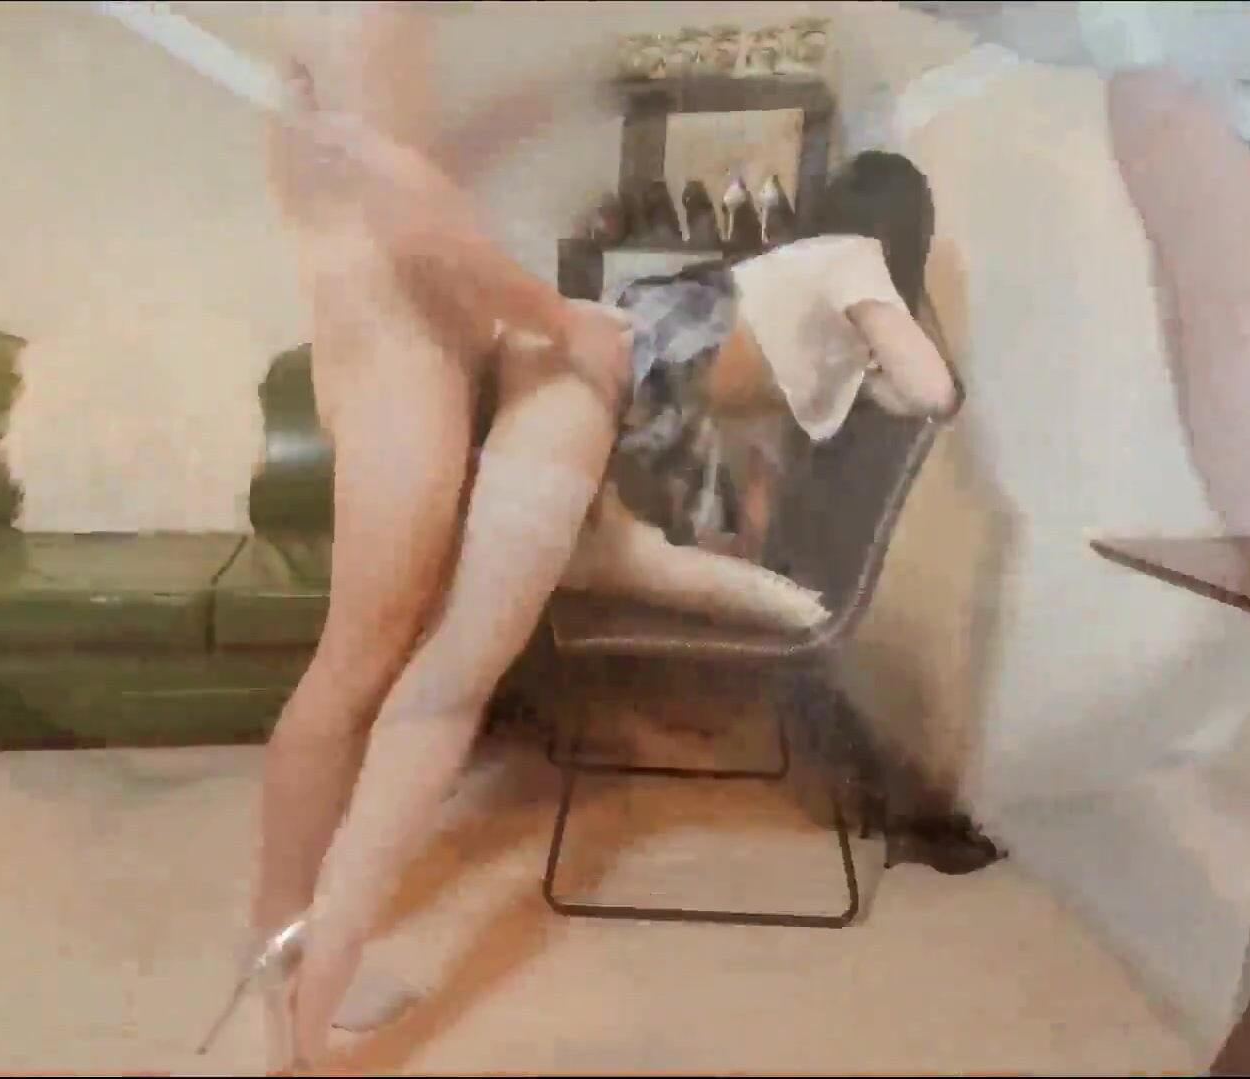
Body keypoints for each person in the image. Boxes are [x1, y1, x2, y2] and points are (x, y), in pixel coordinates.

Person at [229, 14, 959, 1070]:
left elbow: (393, 181)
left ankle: (296, 971)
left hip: (503, 370)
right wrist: (560, 319)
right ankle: (289, 993)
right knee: (393, 681)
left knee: (414, 674)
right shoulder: (847, 271)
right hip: (472, 372)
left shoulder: (773, 274)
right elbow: (401, 199)